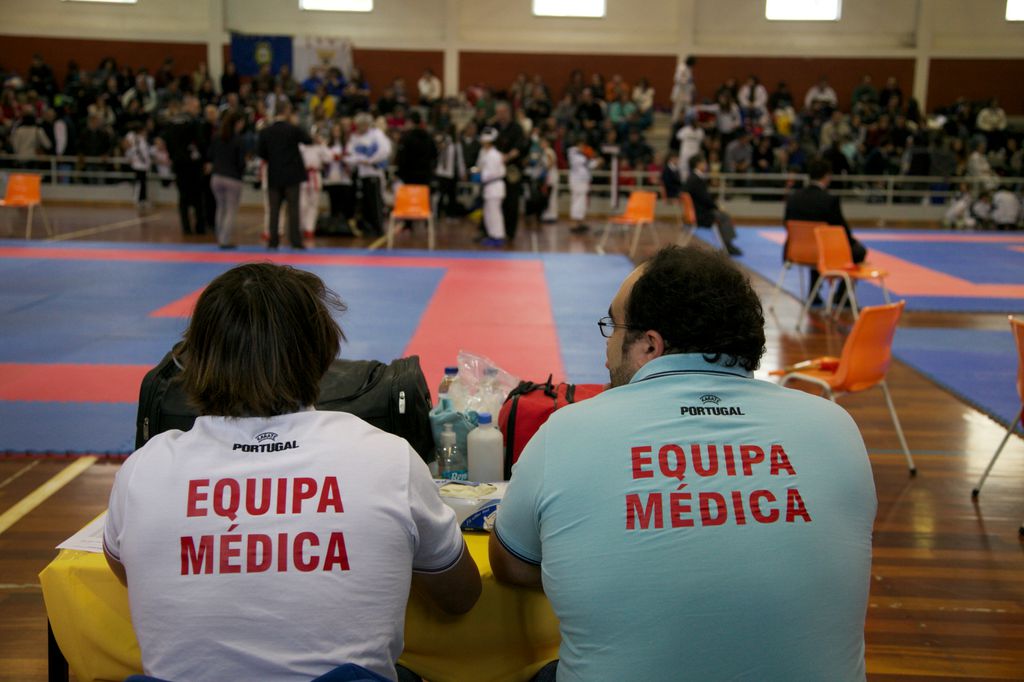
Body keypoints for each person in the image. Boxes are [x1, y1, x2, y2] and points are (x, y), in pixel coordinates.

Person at [489, 245, 876, 682]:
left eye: (612, 328)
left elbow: (511, 563)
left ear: (649, 346)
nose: (605, 351)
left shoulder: (566, 432)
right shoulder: (835, 427)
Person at [103, 263, 481, 681]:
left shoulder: (144, 471)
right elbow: (461, 597)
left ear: (195, 357)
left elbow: (130, 574)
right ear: (322, 354)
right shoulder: (388, 458)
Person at [784, 157, 866, 305]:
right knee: (858, 251)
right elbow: (841, 230)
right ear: (827, 176)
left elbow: (786, 223)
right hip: (822, 252)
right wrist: (852, 242)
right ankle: (842, 296)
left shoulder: (794, 197)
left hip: (796, 251)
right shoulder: (830, 200)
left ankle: (813, 293)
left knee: (815, 244)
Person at [258, 99, 312, 249]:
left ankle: (273, 241)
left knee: (274, 210)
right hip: (292, 176)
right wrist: (296, 123)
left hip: (274, 174)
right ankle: (295, 241)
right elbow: (308, 140)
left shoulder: (266, 131)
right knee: (293, 209)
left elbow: (261, 153)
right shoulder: (293, 129)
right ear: (287, 111)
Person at [161, 95, 207, 235]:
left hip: (178, 163)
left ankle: (186, 227)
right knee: (198, 196)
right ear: (188, 106)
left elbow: (167, 142)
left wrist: (173, 157)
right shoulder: (194, 122)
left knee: (183, 197)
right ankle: (200, 227)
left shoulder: (172, 122)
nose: (198, 109)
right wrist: (204, 159)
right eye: (196, 106)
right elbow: (200, 142)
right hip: (193, 164)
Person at [683, 153, 742, 256]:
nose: (706, 164)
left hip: (698, 212)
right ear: (698, 164)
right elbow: (705, 199)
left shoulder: (692, 178)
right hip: (701, 215)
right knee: (724, 216)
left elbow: (704, 198)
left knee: (721, 215)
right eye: (703, 162)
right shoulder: (696, 179)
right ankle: (728, 245)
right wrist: (717, 207)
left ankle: (727, 244)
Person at [345, 112, 392, 236]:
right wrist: (357, 160)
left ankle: (378, 227)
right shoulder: (355, 137)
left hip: (374, 173)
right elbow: (349, 154)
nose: (361, 128)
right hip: (360, 174)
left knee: (375, 201)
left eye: (363, 125)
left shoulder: (376, 134)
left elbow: (384, 150)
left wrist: (370, 160)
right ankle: (366, 227)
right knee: (363, 203)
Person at [207, 110, 247, 249]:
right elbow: (241, 162)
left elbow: (210, 155)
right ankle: (225, 240)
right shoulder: (238, 140)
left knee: (220, 208)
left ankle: (220, 238)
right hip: (232, 178)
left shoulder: (217, 137)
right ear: (238, 123)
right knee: (230, 210)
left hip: (216, 177)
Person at [475, 126, 506, 247]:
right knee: (489, 213)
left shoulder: (494, 155)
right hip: (489, 187)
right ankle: (492, 235)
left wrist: (481, 175)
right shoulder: (485, 153)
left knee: (494, 213)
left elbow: (492, 172)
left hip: (494, 186)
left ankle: (498, 236)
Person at [566, 136, 602, 234]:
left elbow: (588, 164)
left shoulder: (581, 154)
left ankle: (580, 223)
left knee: (581, 202)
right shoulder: (573, 152)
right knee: (577, 202)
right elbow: (586, 162)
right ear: (578, 144)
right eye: (581, 145)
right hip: (577, 181)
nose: (583, 147)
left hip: (582, 181)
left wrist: (596, 161)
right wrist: (595, 160)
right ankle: (574, 224)